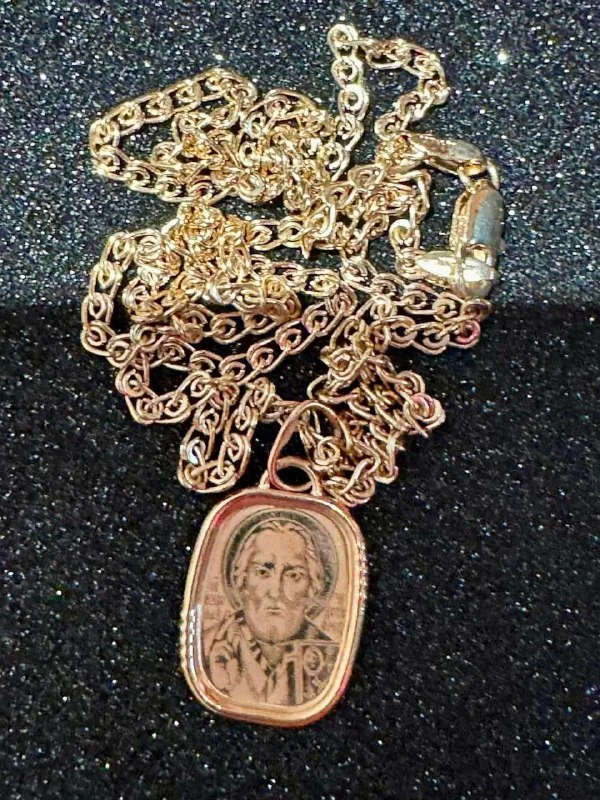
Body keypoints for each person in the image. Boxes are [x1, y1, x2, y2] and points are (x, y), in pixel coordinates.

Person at [203, 512, 338, 706]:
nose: (275, 592)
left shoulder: (331, 656)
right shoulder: (209, 644)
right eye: (262, 572)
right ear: (242, 579)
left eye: (294, 575)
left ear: (312, 586)